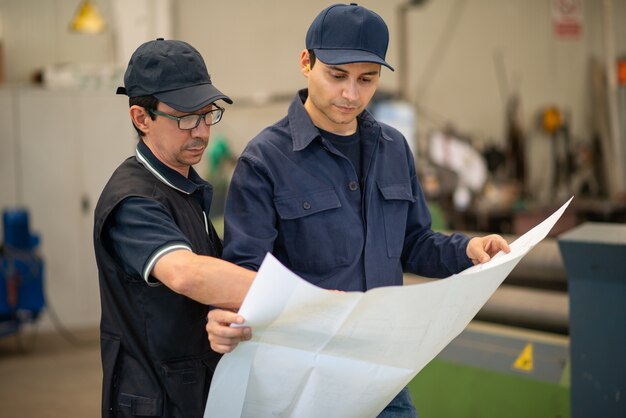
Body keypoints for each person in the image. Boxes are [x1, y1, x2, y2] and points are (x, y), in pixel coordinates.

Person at [207, 3, 510, 418]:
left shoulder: (392, 147)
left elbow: (414, 243)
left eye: (366, 79)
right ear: (305, 63)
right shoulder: (266, 160)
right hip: (301, 378)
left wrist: (467, 249)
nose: (351, 94)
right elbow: (244, 276)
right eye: (337, 76)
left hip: (382, 375)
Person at [93, 38, 254, 417]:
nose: (200, 131)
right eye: (184, 118)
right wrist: (296, 296)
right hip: (154, 400)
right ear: (141, 118)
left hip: (194, 391)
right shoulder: (133, 200)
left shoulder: (184, 188)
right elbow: (185, 273)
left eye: (207, 113)